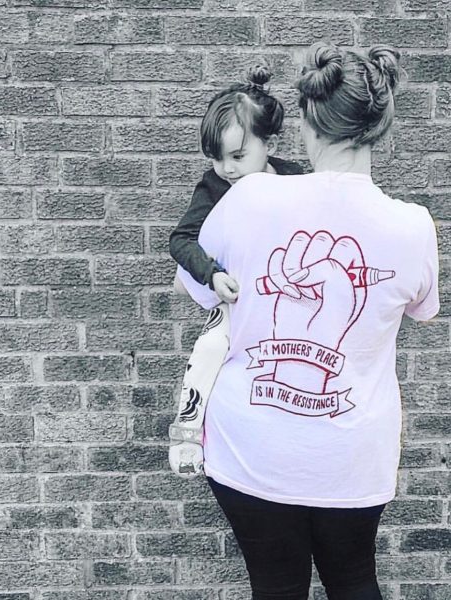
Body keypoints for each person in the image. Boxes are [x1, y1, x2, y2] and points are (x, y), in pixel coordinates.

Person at [175, 43, 440, 600]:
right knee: (354, 580)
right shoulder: (413, 226)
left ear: (306, 123)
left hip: (253, 447)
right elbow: (421, 308)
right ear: (379, 127)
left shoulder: (249, 198)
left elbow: (190, 284)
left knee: (276, 586)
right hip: (353, 453)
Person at [168, 65, 303, 478]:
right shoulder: (214, 187)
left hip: (286, 299)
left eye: (238, 156)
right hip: (236, 296)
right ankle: (189, 425)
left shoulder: (297, 180)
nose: (227, 168)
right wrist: (211, 274)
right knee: (210, 349)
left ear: (269, 144)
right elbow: (181, 240)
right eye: (217, 158)